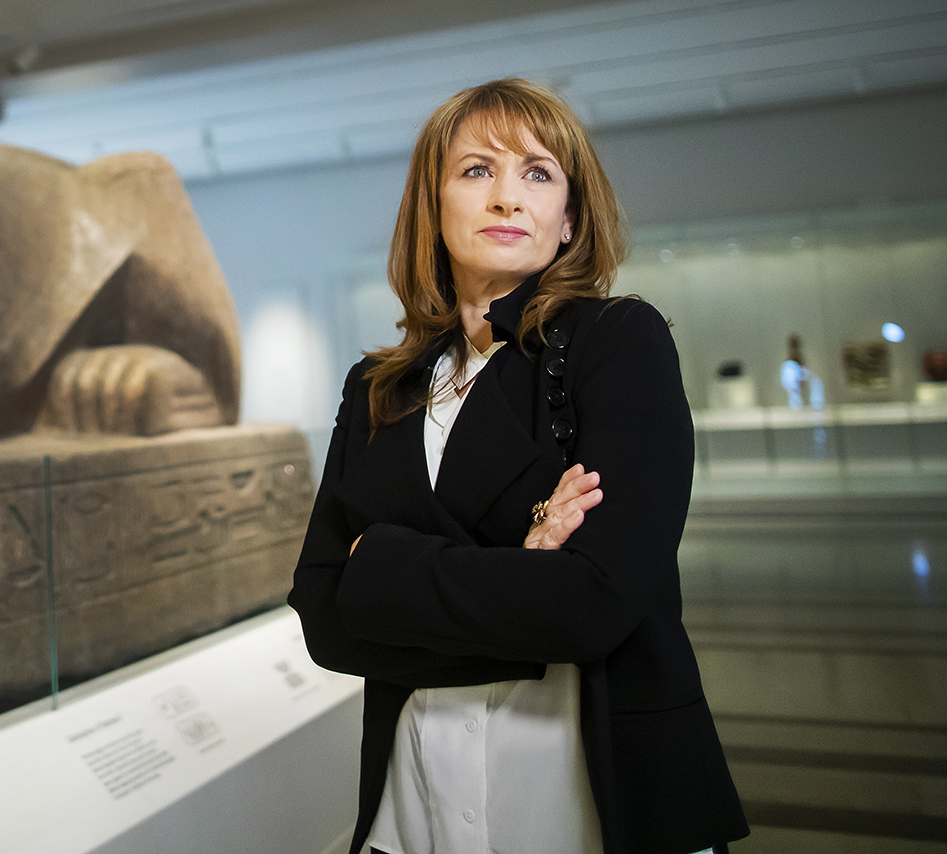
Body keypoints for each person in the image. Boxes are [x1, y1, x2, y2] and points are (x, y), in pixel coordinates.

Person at [289, 78, 746, 854]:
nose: (507, 197)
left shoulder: (617, 340)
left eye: (538, 173)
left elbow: (597, 603)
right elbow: (325, 614)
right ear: (432, 206)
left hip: (587, 799)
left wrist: (386, 573)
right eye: (476, 171)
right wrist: (522, 566)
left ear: (568, 218)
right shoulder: (379, 386)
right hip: (415, 802)